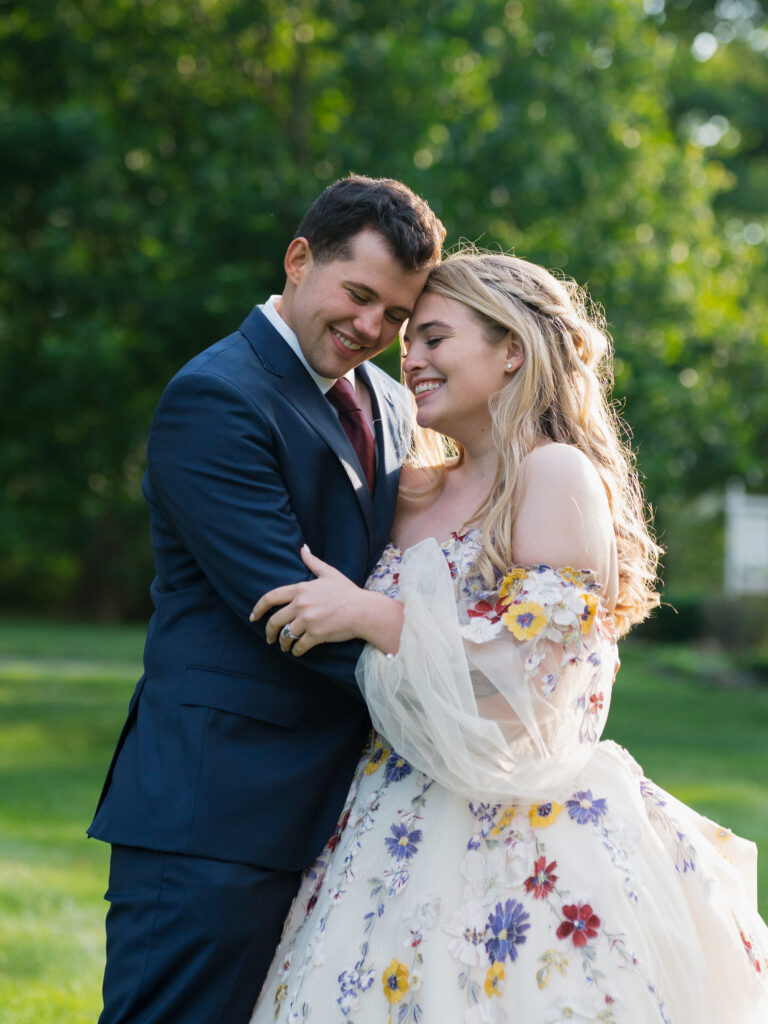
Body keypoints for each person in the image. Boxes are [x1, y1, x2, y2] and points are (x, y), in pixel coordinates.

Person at [250, 250, 768, 1022]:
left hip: (526, 828)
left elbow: (534, 675)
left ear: (512, 351)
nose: (410, 360)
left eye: (433, 338)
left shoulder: (554, 476)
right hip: (388, 814)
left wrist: (371, 616)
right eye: (408, 344)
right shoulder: (410, 490)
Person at [87, 174, 446, 1024]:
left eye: (395, 316)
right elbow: (292, 612)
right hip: (218, 813)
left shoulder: (394, 403)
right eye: (358, 295)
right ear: (298, 260)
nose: (371, 329)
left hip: (344, 816)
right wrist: (470, 688)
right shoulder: (216, 397)